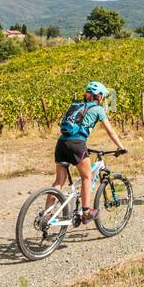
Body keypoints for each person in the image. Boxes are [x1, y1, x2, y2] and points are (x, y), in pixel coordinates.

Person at [55, 81, 126, 223]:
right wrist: (121, 146)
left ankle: (47, 215)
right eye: (102, 96)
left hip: (61, 143)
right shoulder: (98, 109)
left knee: (58, 182)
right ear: (98, 96)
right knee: (87, 177)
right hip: (77, 144)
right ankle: (86, 211)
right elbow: (110, 132)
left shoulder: (76, 105)